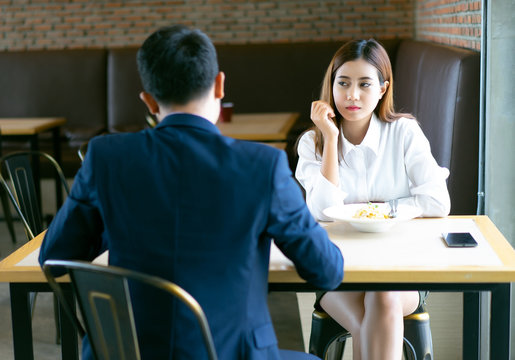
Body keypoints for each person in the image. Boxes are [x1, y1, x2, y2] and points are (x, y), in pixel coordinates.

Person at [39, 25, 344, 360]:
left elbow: (53, 258)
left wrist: (118, 227)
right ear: (219, 85)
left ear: (148, 100)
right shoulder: (262, 165)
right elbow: (326, 271)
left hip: (128, 354)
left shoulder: (106, 157)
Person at [295, 39, 450, 360]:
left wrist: (383, 211)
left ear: (382, 89)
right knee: (375, 317)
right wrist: (330, 135)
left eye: (365, 84)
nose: (352, 95)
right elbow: (322, 212)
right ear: (331, 87)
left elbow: (438, 201)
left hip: (401, 270)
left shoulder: (404, 132)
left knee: (383, 299)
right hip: (336, 273)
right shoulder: (313, 142)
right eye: (343, 83)